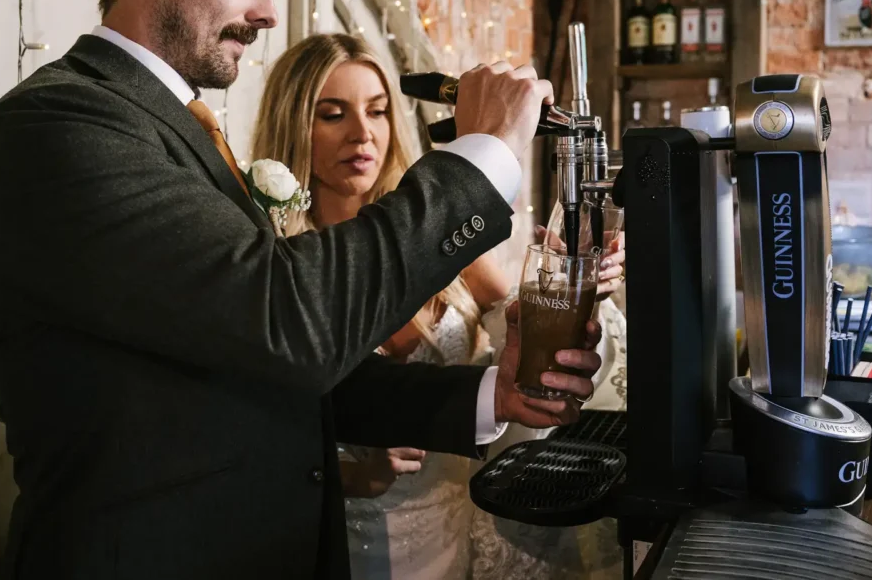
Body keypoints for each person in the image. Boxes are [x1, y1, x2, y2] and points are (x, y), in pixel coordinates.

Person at [0, 0, 605, 579]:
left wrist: (490, 393)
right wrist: (479, 157)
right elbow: (290, 322)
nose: (266, 12)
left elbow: (255, 365)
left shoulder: (167, 124)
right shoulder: (57, 128)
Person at [250, 33, 625, 579]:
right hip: (350, 546)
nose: (363, 133)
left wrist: (573, 284)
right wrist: (352, 477)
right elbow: (249, 436)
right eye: (332, 114)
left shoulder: (444, 242)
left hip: (453, 540)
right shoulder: (280, 265)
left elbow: (530, 334)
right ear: (293, 124)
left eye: (378, 111)